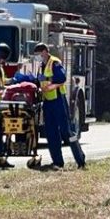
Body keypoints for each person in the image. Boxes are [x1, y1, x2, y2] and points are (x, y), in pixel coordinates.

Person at [34, 42, 86, 170]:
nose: (37, 57)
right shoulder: (42, 65)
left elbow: (61, 78)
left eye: (38, 54)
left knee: (66, 131)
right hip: (48, 101)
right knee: (51, 133)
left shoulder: (55, 62)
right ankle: (57, 162)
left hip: (58, 100)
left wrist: (47, 79)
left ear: (44, 51)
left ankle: (80, 159)